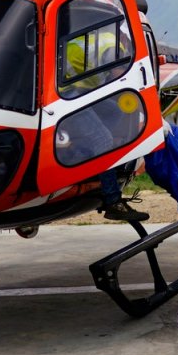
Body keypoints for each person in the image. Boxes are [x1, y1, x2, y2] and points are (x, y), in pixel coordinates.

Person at [64, 28, 148, 223]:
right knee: (103, 140)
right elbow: (121, 76)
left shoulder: (109, 41)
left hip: (81, 90)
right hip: (67, 94)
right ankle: (113, 201)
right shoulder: (113, 49)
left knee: (115, 111)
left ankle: (92, 159)